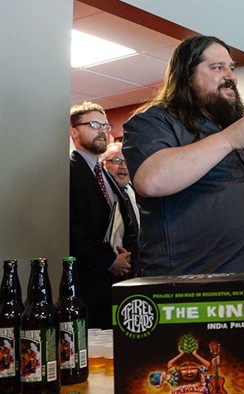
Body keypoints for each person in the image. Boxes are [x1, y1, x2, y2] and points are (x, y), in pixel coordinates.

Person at [123, 35, 244, 276]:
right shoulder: (154, 121)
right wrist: (229, 139)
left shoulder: (227, 128)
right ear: (187, 75)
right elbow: (151, 180)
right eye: (217, 67)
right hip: (192, 288)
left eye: (231, 67)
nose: (230, 76)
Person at [69, 101, 138, 328]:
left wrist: (126, 257)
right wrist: (109, 261)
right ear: (74, 131)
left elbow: (121, 220)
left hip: (114, 286)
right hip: (86, 284)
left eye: (106, 126)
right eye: (94, 124)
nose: (102, 131)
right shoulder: (67, 170)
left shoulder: (106, 175)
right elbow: (72, 228)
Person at [101, 142, 140, 227]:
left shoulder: (135, 190)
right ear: (103, 164)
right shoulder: (99, 194)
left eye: (127, 161)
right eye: (116, 160)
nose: (123, 166)